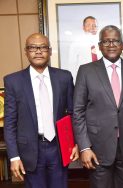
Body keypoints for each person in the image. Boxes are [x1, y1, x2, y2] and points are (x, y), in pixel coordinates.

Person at [72, 25, 123, 188]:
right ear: (99, 46)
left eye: (115, 41)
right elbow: (78, 112)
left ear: (122, 45)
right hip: (97, 148)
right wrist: (84, 147)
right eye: (106, 41)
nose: (111, 45)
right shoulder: (86, 71)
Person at [3, 33, 79, 188]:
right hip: (30, 149)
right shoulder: (13, 81)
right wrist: (14, 157)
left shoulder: (64, 77)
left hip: (58, 148)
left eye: (43, 47)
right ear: (26, 51)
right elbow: (10, 122)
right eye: (32, 47)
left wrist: (75, 142)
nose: (38, 51)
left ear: (50, 51)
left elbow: (74, 113)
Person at [67, 16, 102, 80]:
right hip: (83, 78)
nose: (92, 28)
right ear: (83, 27)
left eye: (94, 25)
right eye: (88, 25)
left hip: (101, 78)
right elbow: (72, 65)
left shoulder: (102, 43)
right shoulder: (75, 44)